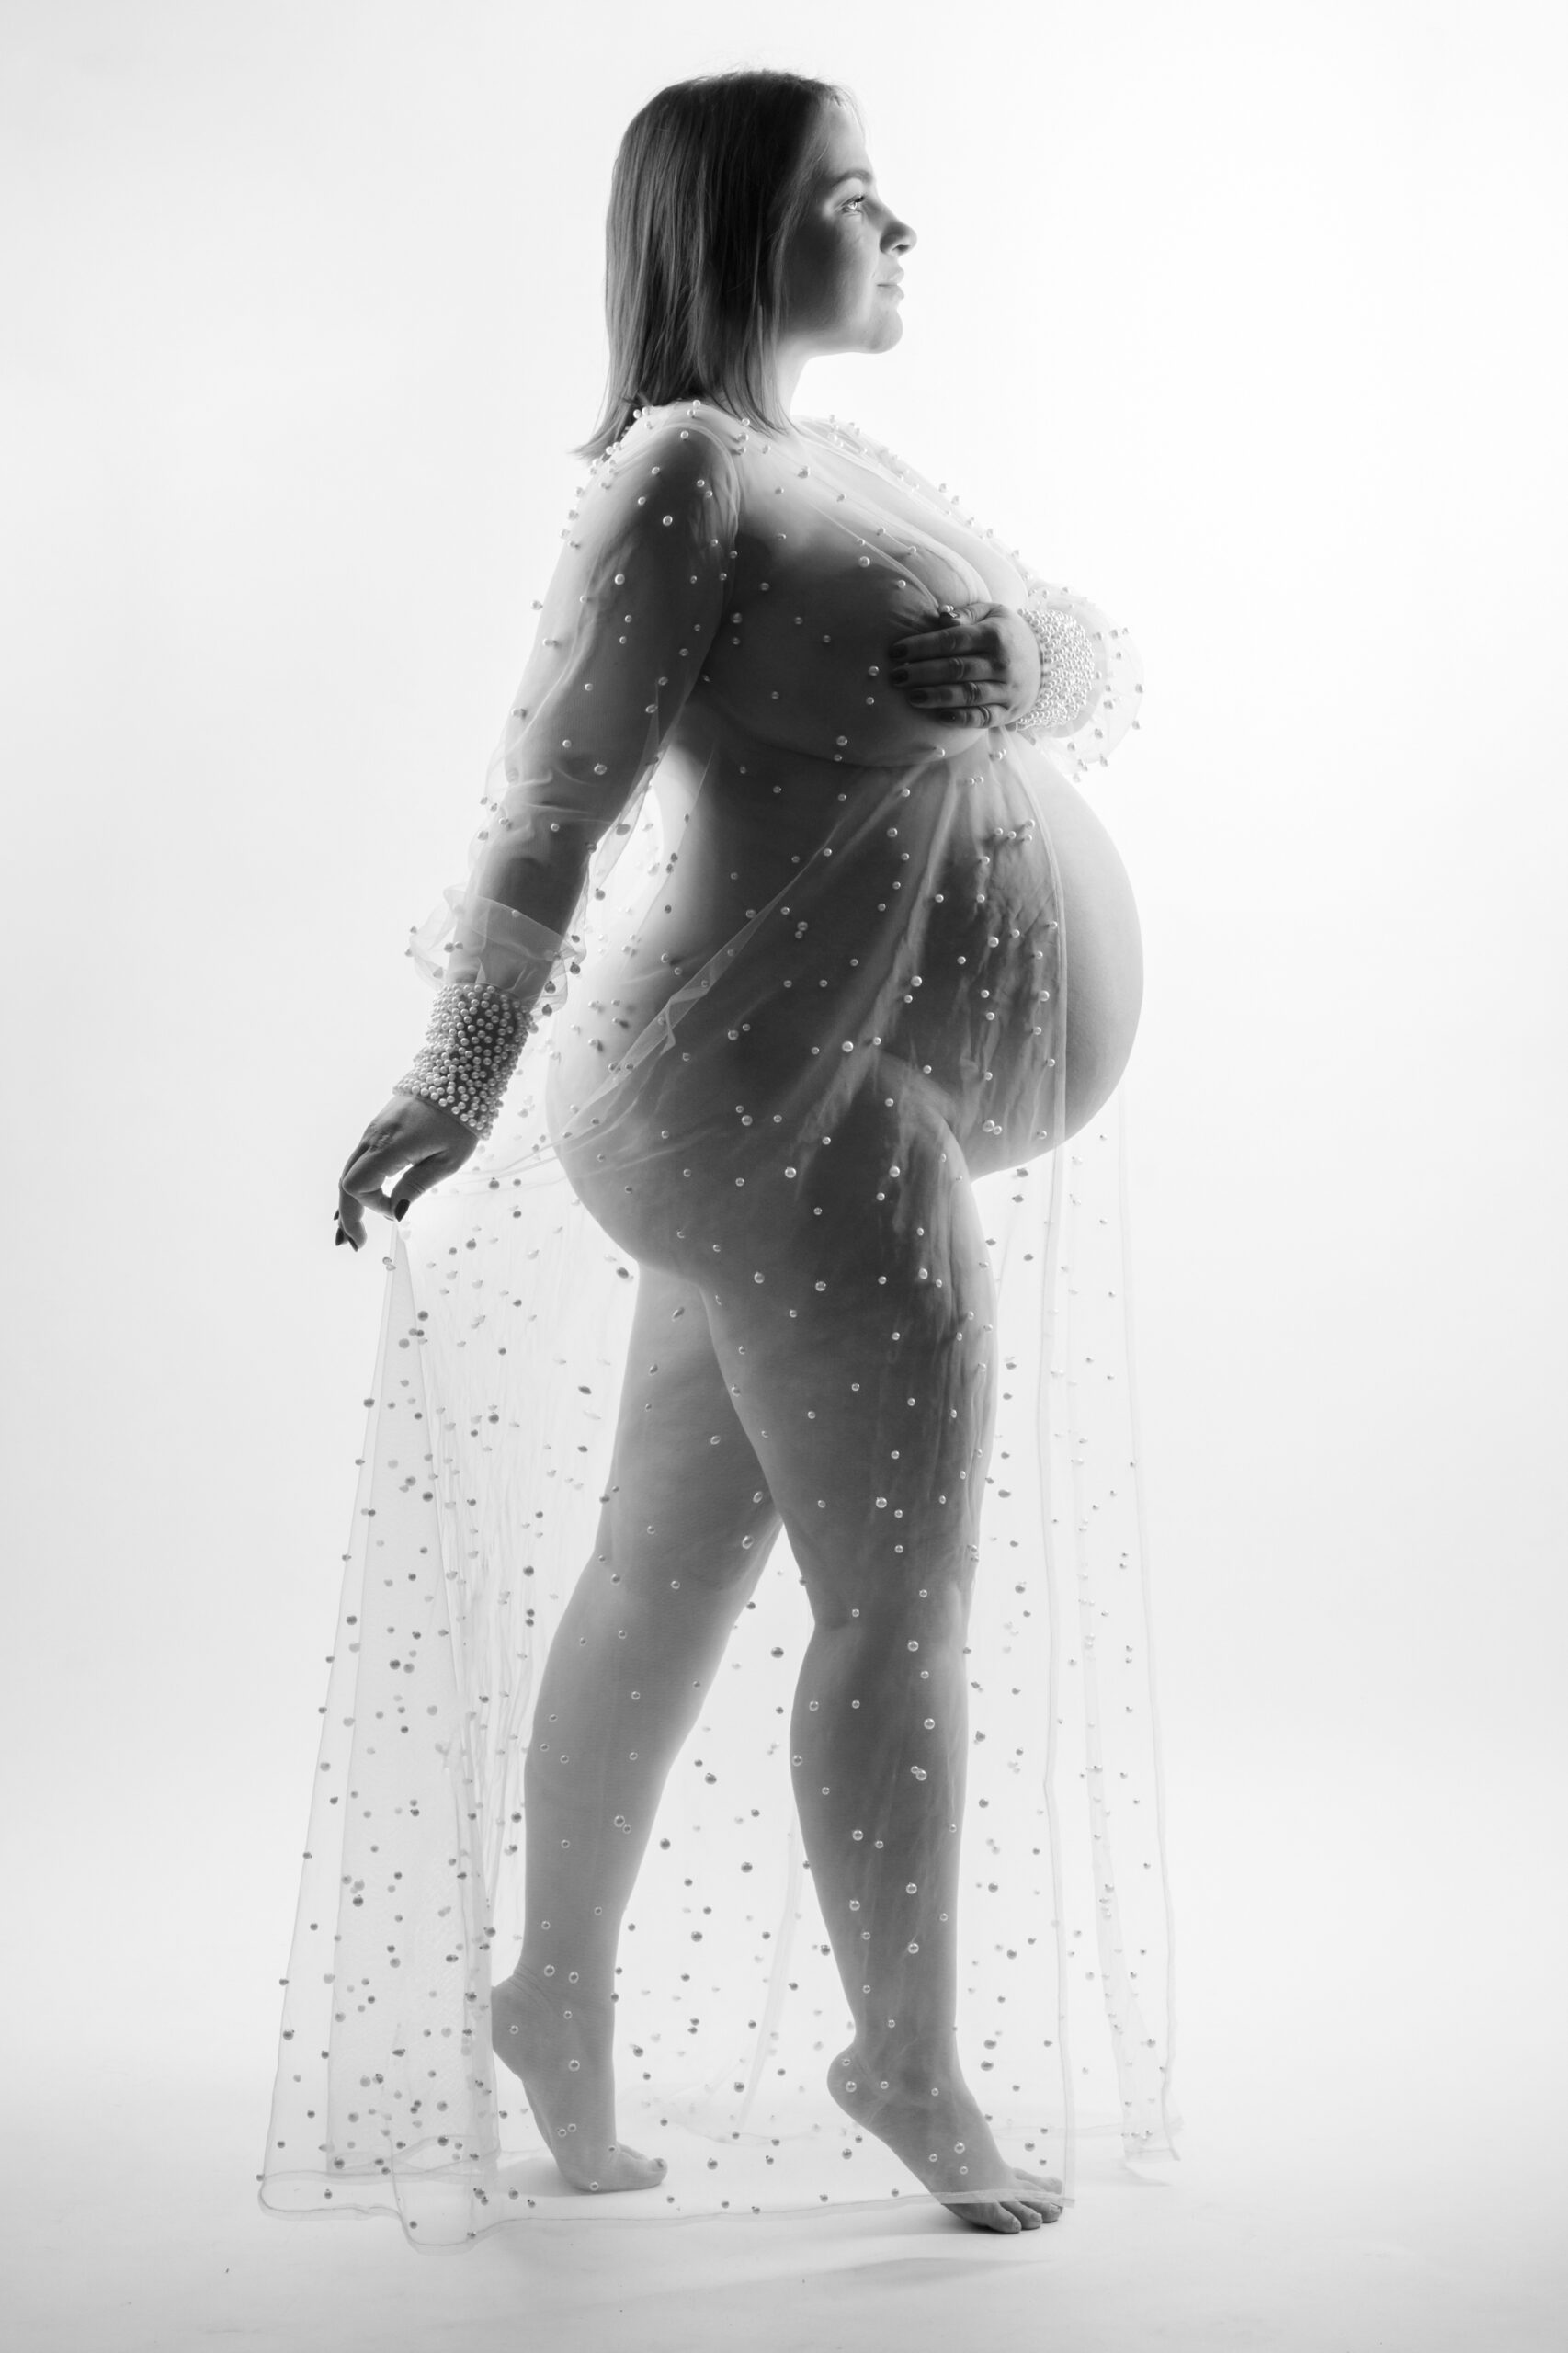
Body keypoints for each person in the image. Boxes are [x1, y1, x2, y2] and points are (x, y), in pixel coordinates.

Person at [295, 67, 1163, 2247]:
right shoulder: (682, 467)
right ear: (737, 227)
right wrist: (455, 1070)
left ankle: (553, 1996)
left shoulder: (827, 461)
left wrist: (1018, 653)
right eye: (853, 196)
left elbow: (1061, 658)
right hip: (786, 1095)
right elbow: (546, 806)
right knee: (897, 1602)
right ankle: (907, 2058)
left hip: (783, 1099)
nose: (898, 227)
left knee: (665, 1564)